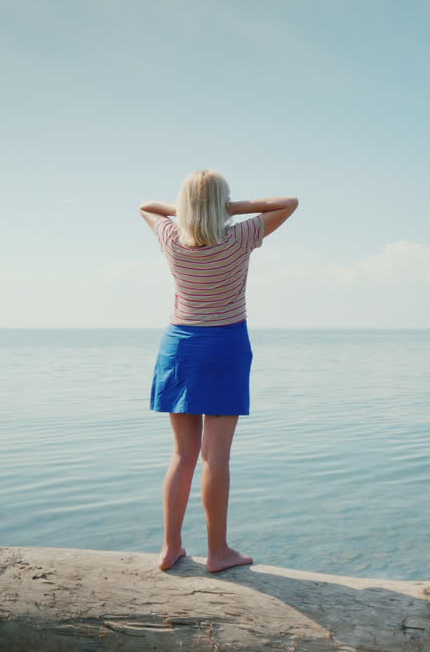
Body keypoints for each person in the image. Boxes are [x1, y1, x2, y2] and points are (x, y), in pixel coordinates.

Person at [139, 170, 298, 572]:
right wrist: (228, 209)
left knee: (182, 455)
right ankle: (217, 552)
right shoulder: (238, 237)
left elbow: (145, 206)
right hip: (225, 346)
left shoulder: (172, 237)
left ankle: (170, 547)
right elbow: (289, 203)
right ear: (222, 204)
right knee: (216, 458)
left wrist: (190, 209)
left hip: (180, 347)